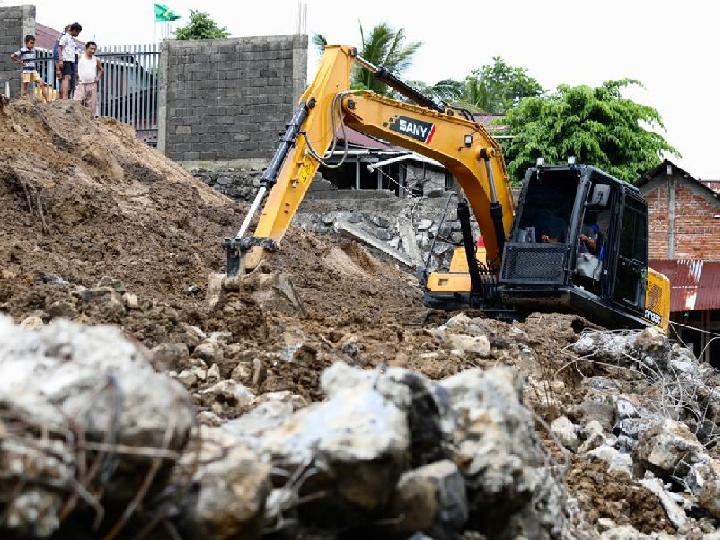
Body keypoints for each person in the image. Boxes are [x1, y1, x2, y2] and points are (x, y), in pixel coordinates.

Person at [10, 35, 49, 102]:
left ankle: (47, 100)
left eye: (33, 43)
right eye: (31, 43)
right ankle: (23, 103)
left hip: (33, 71)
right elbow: (12, 56)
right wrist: (20, 62)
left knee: (41, 83)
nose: (32, 44)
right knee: (25, 88)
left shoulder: (33, 50)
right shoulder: (23, 50)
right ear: (26, 42)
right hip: (26, 71)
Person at [74, 42, 103, 113]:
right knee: (77, 102)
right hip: (81, 84)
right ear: (86, 48)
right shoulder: (80, 57)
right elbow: (73, 66)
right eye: (91, 49)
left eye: (94, 49)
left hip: (92, 84)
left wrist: (98, 78)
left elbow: (101, 69)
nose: (93, 51)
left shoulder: (96, 59)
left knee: (91, 105)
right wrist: (76, 74)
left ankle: (91, 121)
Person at [57, 22, 82, 99]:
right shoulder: (65, 37)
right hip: (65, 60)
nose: (78, 34)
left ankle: (67, 97)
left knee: (69, 78)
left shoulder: (72, 39)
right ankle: (64, 97)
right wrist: (60, 60)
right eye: (77, 32)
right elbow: (59, 48)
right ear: (74, 30)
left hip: (71, 61)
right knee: (66, 77)